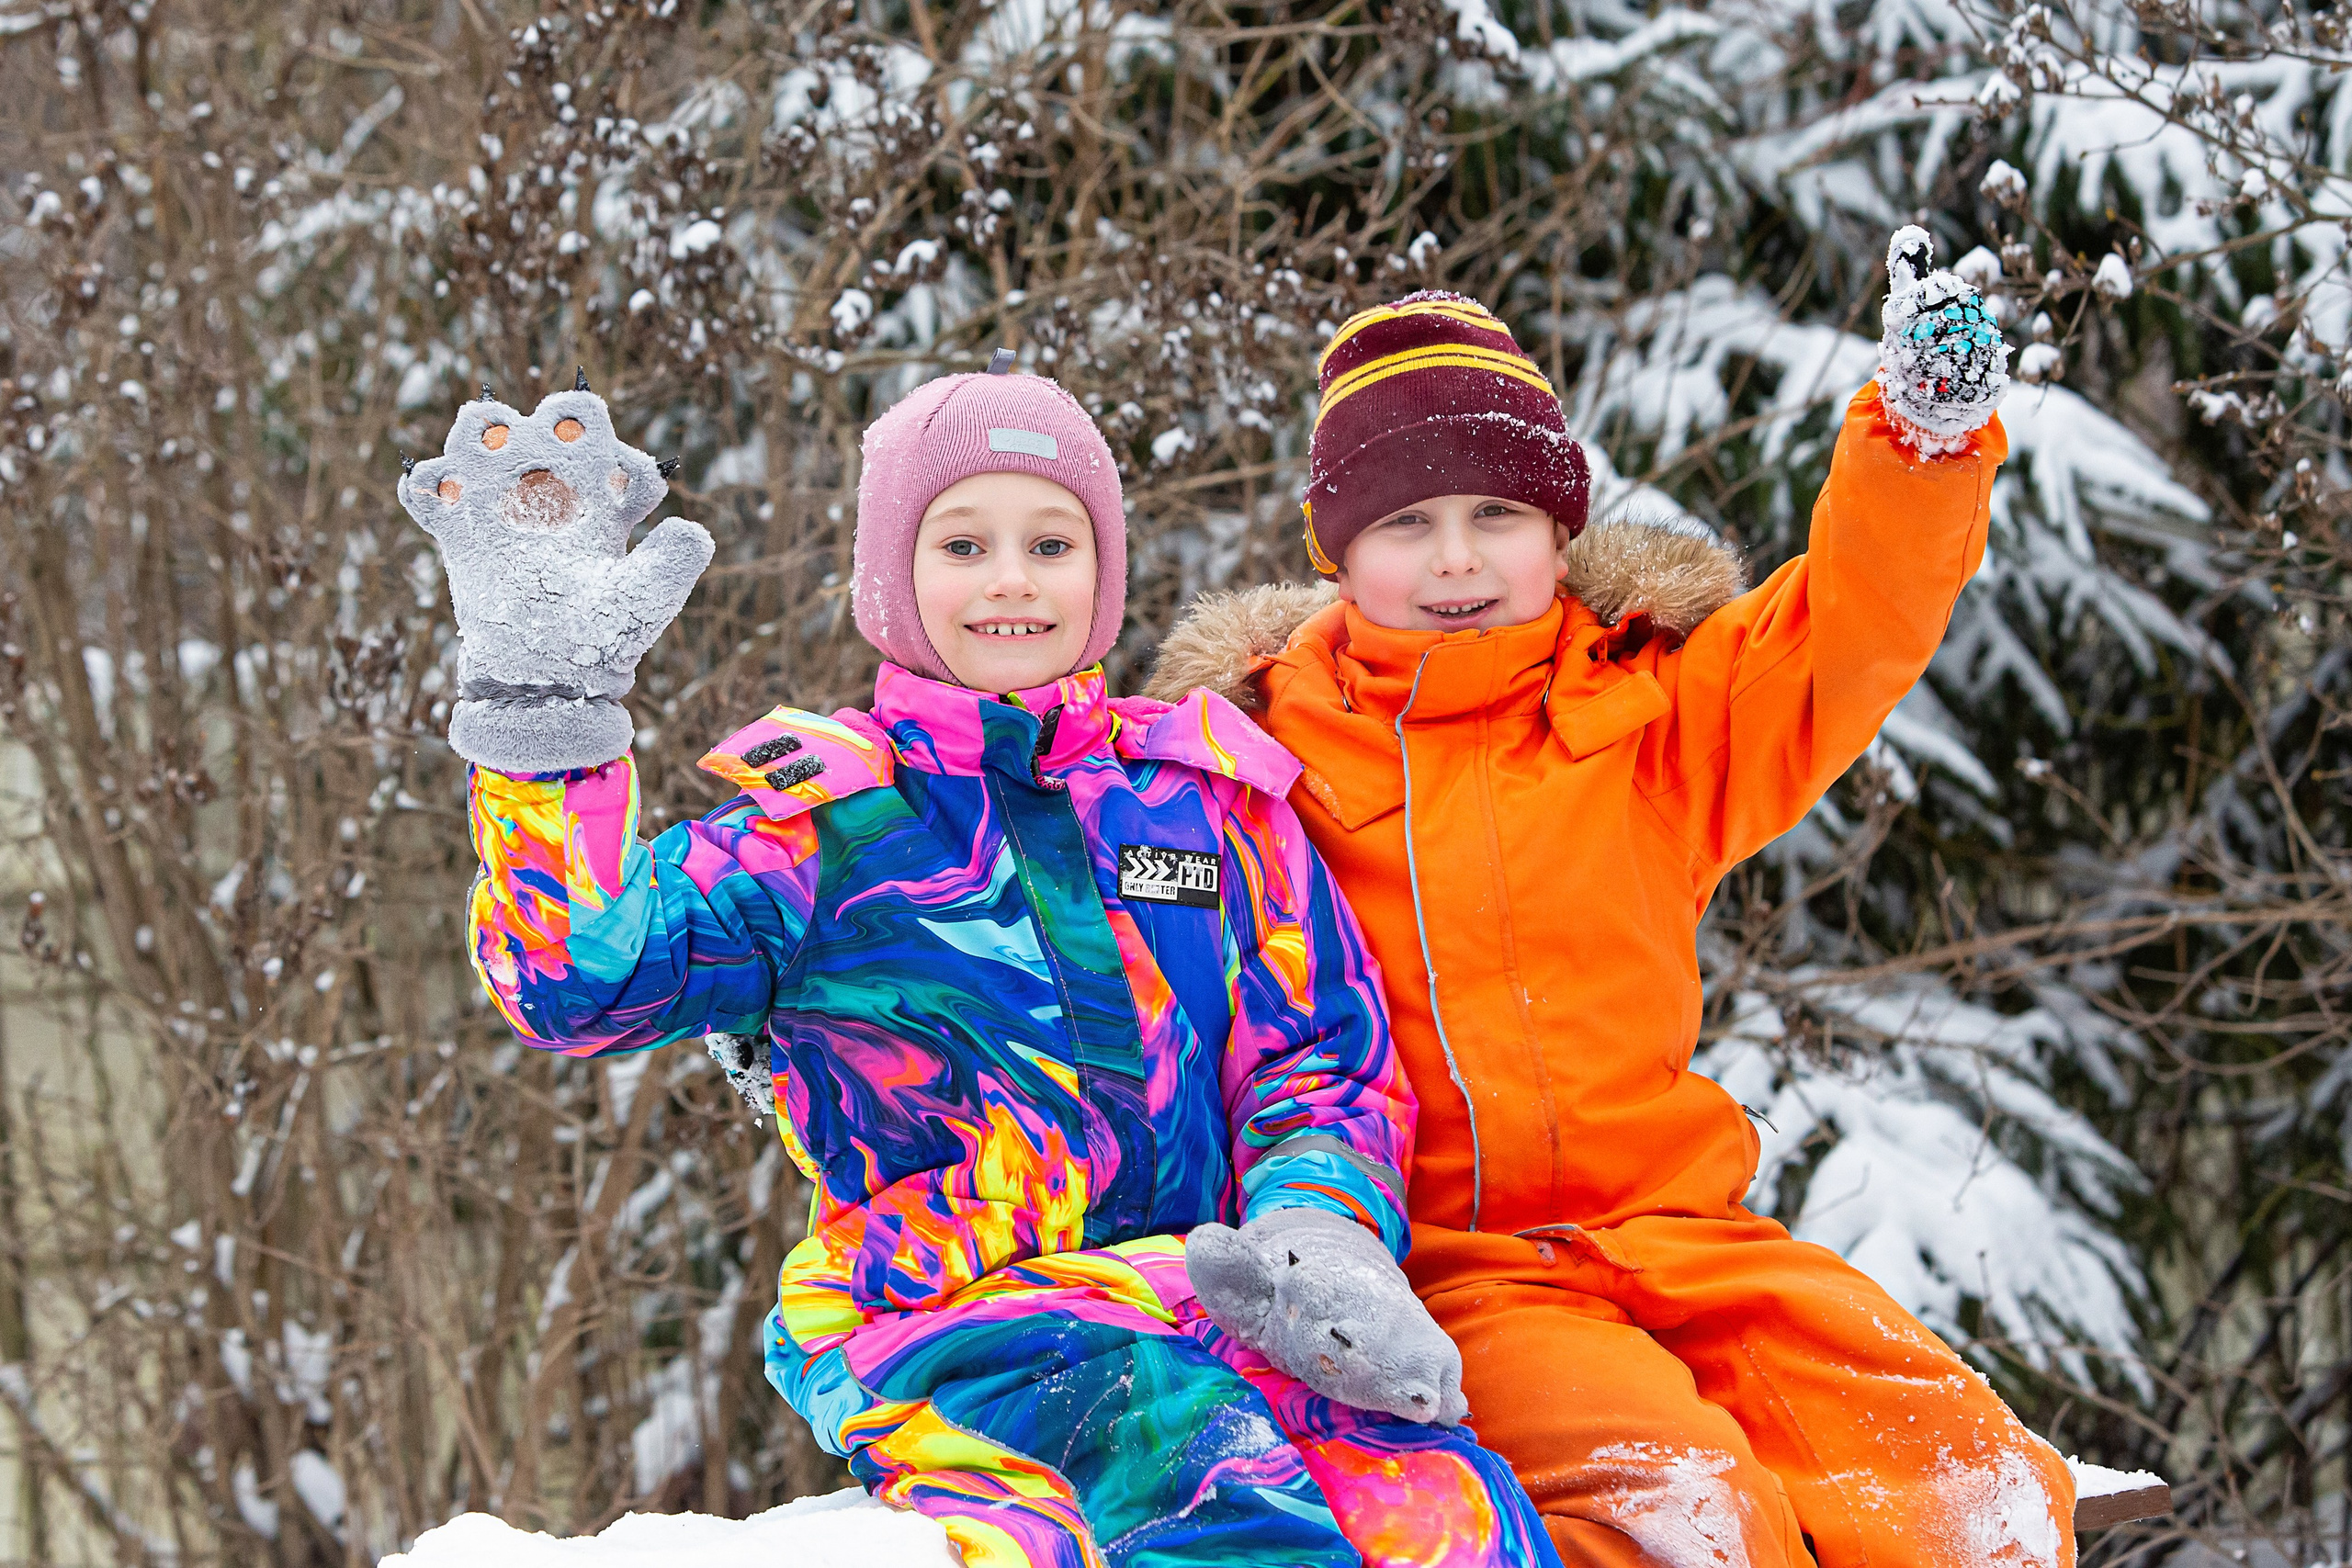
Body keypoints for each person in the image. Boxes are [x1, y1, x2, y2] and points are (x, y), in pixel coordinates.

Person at [401, 358, 1558, 1566]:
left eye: (1051, 545)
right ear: (892, 575)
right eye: (964, 546)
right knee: (1205, 1479)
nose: (1012, 579)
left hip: (1216, 1293)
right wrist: (544, 734)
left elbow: (1318, 1062)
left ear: (1103, 572)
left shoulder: (1203, 804)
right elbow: (577, 982)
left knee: (1452, 1509)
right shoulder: (823, 832)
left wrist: (1317, 1236)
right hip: (945, 1309)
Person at [1145, 231, 2079, 1566]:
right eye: (1406, 523)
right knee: (1688, 1517)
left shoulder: (1651, 715)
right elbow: (1076, 893)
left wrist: (1918, 448)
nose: (1457, 560)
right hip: (1456, 1267)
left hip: (1688, 1236)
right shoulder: (1250, 763)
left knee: (1975, 1494)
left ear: (1560, 531)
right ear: (1337, 551)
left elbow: (1848, 626)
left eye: (1498, 516)